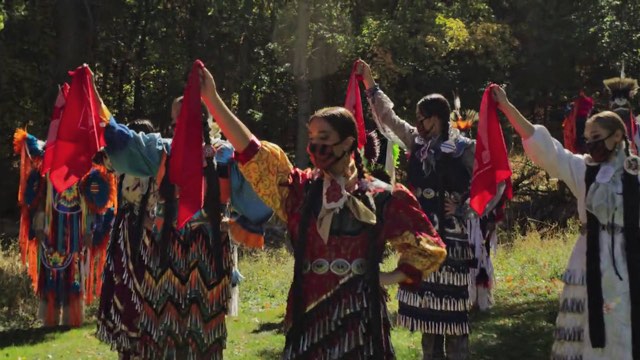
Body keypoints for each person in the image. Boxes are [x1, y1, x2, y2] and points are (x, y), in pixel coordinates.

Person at [199, 65, 447, 359]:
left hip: (361, 323)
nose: (315, 145)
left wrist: (383, 278)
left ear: (347, 144)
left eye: (324, 137)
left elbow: (429, 249)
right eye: (312, 137)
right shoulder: (300, 190)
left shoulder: (380, 196)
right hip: (308, 319)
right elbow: (253, 153)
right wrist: (212, 100)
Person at [98, 87, 273, 358]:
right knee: (161, 332)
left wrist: (231, 222)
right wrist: (95, 103)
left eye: (187, 117)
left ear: (208, 119)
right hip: (165, 256)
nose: (178, 125)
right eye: (174, 120)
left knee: (203, 335)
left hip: (208, 259)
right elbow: (125, 142)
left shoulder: (224, 156)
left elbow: (260, 194)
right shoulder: (163, 150)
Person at [356, 59, 505, 359]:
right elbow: (389, 119)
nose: (420, 124)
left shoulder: (464, 147)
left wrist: (464, 207)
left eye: (424, 119)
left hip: (454, 242)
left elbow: (493, 182)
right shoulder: (416, 142)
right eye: (419, 119)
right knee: (428, 320)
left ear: (438, 117)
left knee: (455, 320)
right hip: (423, 239)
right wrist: (369, 84)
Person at [492, 85, 640, 360]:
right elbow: (549, 152)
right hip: (590, 259)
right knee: (589, 330)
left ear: (618, 135)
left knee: (626, 326)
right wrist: (507, 107)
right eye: (587, 138)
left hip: (629, 261)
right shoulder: (584, 170)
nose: (590, 144)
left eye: (596, 137)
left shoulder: (636, 173)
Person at [13, 128, 115, 327]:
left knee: (73, 272)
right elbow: (41, 200)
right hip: (52, 229)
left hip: (76, 230)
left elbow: (92, 205)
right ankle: (50, 317)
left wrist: (88, 231)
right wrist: (40, 225)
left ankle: (71, 317)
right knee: (51, 270)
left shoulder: (87, 170)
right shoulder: (47, 170)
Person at [96, 119, 157, 359]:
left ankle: (142, 348)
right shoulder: (126, 162)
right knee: (126, 289)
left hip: (146, 236)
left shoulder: (154, 162)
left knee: (144, 291)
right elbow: (101, 153)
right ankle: (130, 348)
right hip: (129, 236)